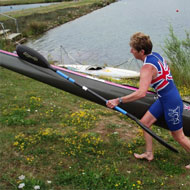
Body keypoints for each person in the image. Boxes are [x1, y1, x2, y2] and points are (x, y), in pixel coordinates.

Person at [106, 32, 190, 169]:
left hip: (171, 102)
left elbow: (141, 93)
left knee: (178, 136)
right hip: (165, 97)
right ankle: (149, 153)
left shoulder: (147, 68)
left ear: (141, 51)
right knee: (144, 123)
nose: (131, 51)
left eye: (133, 49)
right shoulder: (155, 55)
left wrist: (118, 100)